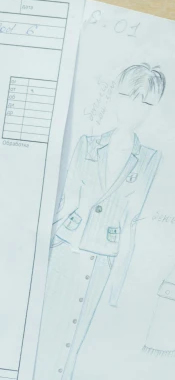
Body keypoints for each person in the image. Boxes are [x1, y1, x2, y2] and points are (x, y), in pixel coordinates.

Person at [34, 64, 165, 380]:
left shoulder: (149, 158)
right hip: (67, 248)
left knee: (72, 346)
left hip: (104, 257)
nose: (134, 108)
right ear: (115, 97)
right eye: (127, 97)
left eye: (145, 103)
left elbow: (131, 222)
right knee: (43, 336)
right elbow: (67, 204)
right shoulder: (87, 144)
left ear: (153, 109)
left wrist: (117, 289)